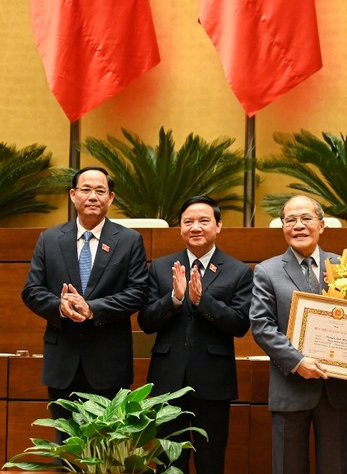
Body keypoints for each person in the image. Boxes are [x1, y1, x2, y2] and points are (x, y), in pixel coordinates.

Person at [22, 166, 148, 425]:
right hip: (62, 362)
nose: (93, 196)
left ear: (110, 198)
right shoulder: (49, 239)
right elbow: (32, 291)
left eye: (100, 191)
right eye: (86, 190)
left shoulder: (129, 240)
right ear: (73, 194)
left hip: (109, 361)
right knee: (65, 448)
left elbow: (138, 292)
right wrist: (60, 305)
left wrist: (93, 308)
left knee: (106, 448)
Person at [138, 196, 252, 473]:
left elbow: (239, 324)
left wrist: (203, 302)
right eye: (188, 222)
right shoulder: (162, 267)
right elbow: (146, 321)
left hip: (213, 380)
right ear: (180, 229)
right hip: (167, 380)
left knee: (210, 459)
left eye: (203, 221)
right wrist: (174, 300)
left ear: (219, 225)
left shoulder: (238, 271)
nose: (195, 227)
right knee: (167, 461)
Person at [250, 195, 347, 474]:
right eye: (290, 220)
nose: (298, 225)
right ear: (283, 227)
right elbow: (262, 325)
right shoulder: (267, 271)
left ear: (321, 225)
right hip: (290, 388)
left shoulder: (345, 267)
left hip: (335, 386)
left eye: (306, 218)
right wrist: (298, 361)